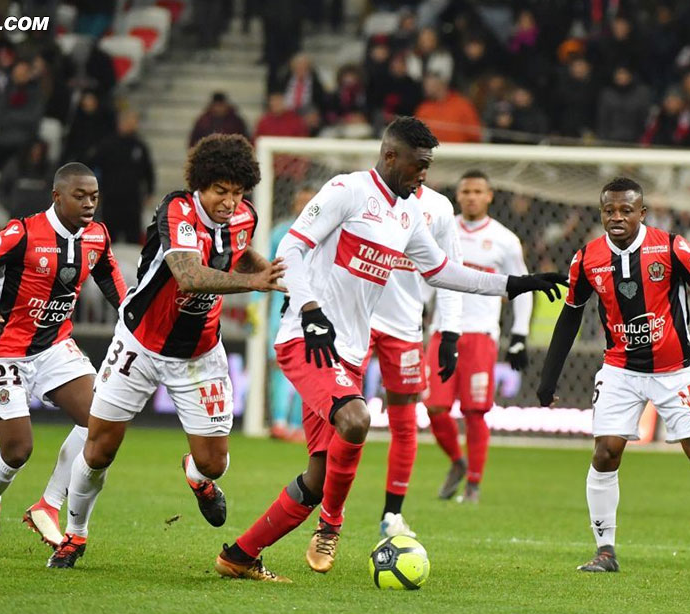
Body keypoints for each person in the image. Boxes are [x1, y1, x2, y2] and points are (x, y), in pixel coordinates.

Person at [213, 116, 566, 582]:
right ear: (391, 156)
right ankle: (332, 527)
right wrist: (311, 309)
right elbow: (293, 251)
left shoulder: (408, 215)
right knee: (357, 418)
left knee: (317, 478)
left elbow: (442, 271)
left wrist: (515, 284)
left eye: (428, 166)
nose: (424, 175)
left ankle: (240, 556)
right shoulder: (347, 190)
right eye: (419, 165)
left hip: (348, 354)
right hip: (307, 339)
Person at [49, 134, 286, 569]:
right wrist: (253, 284)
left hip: (198, 353)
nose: (230, 202)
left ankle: (196, 478)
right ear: (200, 185)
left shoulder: (244, 216)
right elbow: (188, 274)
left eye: (237, 193)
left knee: (214, 464)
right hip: (140, 343)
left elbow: (237, 251)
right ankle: (75, 534)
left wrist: (264, 268)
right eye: (220, 191)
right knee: (100, 448)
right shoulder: (176, 210)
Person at [536, 177, 690, 578]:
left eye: (626, 210)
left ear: (642, 212)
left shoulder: (671, 246)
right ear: (601, 213)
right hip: (620, 370)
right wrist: (548, 378)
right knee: (606, 451)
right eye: (609, 211)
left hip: (675, 371)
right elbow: (571, 314)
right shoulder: (586, 258)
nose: (617, 217)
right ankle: (605, 550)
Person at [0, 162, 127, 554]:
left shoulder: (97, 236)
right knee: (18, 450)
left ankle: (48, 504)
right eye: (79, 196)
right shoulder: (23, 232)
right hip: (3, 351)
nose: (88, 204)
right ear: (57, 196)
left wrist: (133, 314)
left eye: (94, 197)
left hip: (53, 347)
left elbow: (110, 279)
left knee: (101, 419)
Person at [426, 171, 532, 504]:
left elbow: (524, 287)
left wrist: (520, 333)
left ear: (489, 196)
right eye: (466, 191)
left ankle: (473, 483)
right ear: (458, 196)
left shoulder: (505, 240)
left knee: (475, 412)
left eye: (478, 191)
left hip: (481, 335)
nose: (471, 196)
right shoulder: (440, 230)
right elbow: (424, 278)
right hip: (442, 331)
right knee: (435, 408)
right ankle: (458, 462)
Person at [367, 181, 462, 537]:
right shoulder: (362, 193)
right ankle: (329, 513)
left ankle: (392, 515)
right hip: (355, 320)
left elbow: (451, 271)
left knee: (405, 423)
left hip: (405, 327)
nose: (420, 170)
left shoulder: (438, 208)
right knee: (341, 417)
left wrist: (450, 332)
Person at [266, 187, 314, 441]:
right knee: (279, 367)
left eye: (309, 202)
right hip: (280, 309)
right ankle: (279, 422)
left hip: (310, 310)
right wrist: (255, 305)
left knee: (308, 367)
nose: (303, 206)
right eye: (300, 201)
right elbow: (264, 269)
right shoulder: (279, 232)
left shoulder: (324, 233)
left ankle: (298, 425)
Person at [90, 109, 155, 244]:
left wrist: (149, 192)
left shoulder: (139, 146)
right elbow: (94, 168)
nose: (132, 124)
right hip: (111, 199)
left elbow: (148, 171)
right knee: (109, 238)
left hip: (132, 201)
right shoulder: (107, 145)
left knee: (133, 239)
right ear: (121, 123)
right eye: (129, 121)